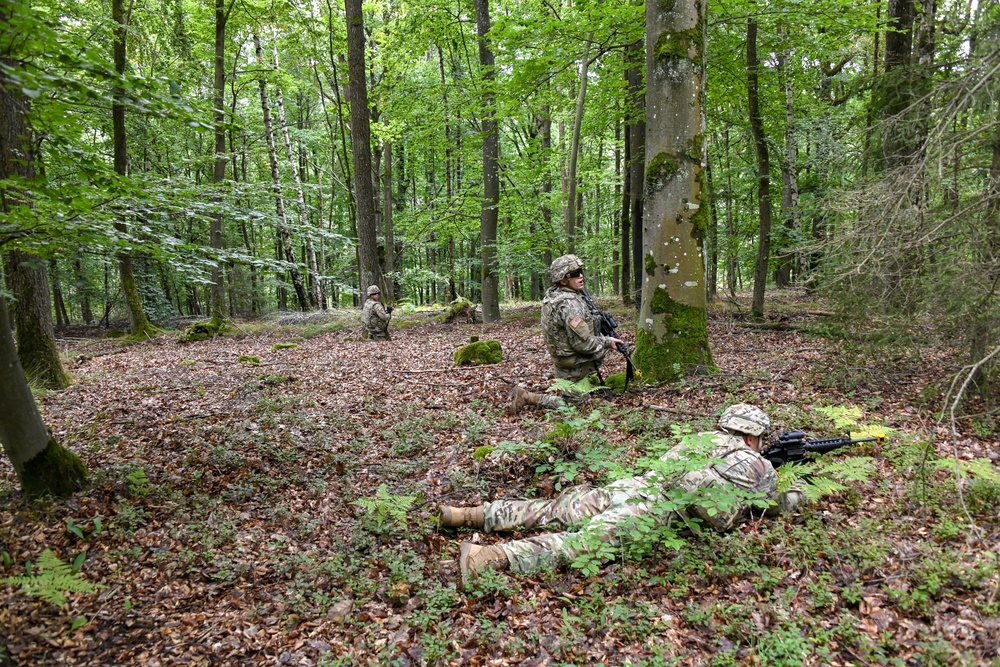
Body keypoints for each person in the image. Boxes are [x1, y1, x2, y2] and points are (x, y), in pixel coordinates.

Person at [438, 404, 806, 590]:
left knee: (555, 509)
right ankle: (489, 559)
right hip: (654, 514)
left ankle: (469, 515)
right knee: (578, 545)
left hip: (633, 486)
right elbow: (767, 508)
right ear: (753, 436)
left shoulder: (699, 439)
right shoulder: (759, 467)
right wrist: (799, 495)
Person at [508, 254, 623, 414]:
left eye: (581, 271)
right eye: (575, 274)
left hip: (563, 359)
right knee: (574, 407)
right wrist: (607, 342)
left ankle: (583, 383)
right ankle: (527, 397)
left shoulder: (553, 295)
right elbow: (583, 345)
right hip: (572, 363)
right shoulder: (571, 305)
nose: (581, 276)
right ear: (563, 280)